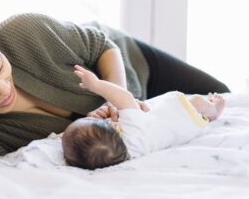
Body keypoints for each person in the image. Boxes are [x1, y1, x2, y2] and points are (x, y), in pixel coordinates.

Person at [0, 12, 230, 166]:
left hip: (137, 65)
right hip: (153, 122)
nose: (3, 88)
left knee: (224, 94)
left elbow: (101, 45)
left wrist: (118, 100)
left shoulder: (24, 33)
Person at [61, 65, 225, 169]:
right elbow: (124, 97)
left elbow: (103, 135)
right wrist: (96, 85)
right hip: (184, 113)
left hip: (181, 128)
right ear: (110, 128)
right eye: (89, 121)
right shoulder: (132, 131)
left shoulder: (127, 151)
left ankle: (208, 111)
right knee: (197, 100)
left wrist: (103, 117)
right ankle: (215, 110)